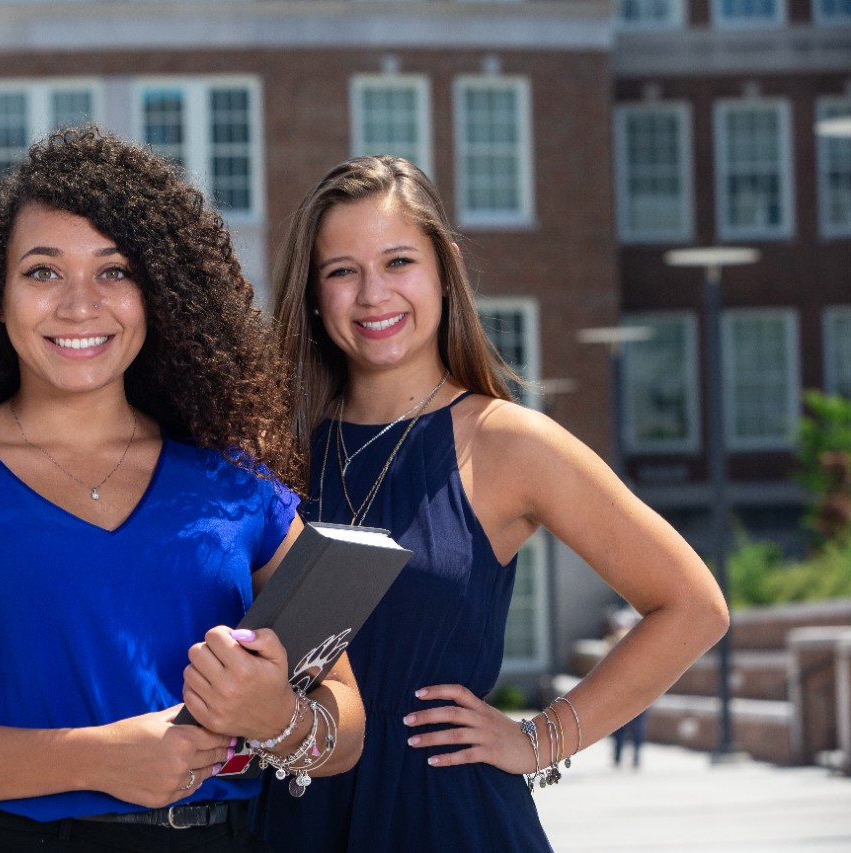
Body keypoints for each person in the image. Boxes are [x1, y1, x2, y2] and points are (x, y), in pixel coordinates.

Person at [0, 127, 364, 853]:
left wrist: (280, 718)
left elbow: (346, 724)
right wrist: (98, 758)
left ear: (158, 296)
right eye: (43, 272)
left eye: (114, 272)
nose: (80, 305)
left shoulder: (238, 491)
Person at [249, 155, 729, 851]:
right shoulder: (279, 453)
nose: (373, 293)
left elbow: (693, 605)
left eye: (399, 262)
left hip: (447, 813)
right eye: (342, 270)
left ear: (444, 273)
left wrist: (542, 737)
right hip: (296, 815)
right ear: (316, 295)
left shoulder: (508, 441)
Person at [606, 607, 649, 769]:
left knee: (619, 726)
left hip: (621, 690)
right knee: (637, 725)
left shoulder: (613, 641)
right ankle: (635, 756)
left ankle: (618, 755)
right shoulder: (641, 641)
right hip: (638, 689)